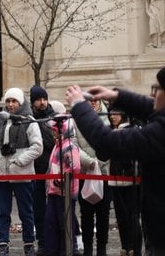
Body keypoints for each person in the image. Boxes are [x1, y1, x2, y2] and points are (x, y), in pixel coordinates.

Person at [66, 78, 165, 256]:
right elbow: (152, 107)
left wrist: (80, 107)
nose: (151, 94)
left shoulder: (160, 132)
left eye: (156, 89)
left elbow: (107, 143)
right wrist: (116, 96)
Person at [0, 87, 43, 256]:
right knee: (2, 212)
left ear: (21, 103)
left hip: (22, 173)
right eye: (8, 101)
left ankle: (28, 243)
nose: (10, 105)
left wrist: (20, 160)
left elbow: (37, 147)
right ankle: (3, 243)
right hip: (1, 173)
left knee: (26, 212)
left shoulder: (28, 121)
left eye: (14, 101)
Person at [75, 97, 111, 256]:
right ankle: (88, 249)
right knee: (86, 213)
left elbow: (113, 142)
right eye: (89, 99)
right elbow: (74, 144)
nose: (93, 102)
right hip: (85, 171)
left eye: (96, 99)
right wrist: (89, 162)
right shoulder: (77, 121)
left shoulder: (110, 118)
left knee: (103, 214)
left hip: (105, 173)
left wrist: (101, 162)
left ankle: (102, 249)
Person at [43, 113, 80, 256]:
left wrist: (62, 180)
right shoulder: (57, 146)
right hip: (54, 190)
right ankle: (51, 251)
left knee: (63, 224)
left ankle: (64, 251)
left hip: (64, 192)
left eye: (54, 130)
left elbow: (74, 167)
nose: (53, 133)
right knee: (51, 222)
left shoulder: (69, 146)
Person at [106, 108, 140, 256]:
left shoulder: (131, 130)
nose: (113, 117)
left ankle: (133, 245)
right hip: (115, 178)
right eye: (111, 114)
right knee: (120, 215)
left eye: (116, 114)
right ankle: (124, 245)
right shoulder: (110, 131)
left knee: (131, 215)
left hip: (130, 179)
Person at [29, 85, 55, 256]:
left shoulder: (55, 118)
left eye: (44, 98)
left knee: (56, 208)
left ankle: (56, 241)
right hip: (37, 169)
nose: (42, 102)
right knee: (39, 209)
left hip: (54, 168)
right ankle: (43, 242)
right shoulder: (29, 120)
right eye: (39, 99)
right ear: (33, 102)